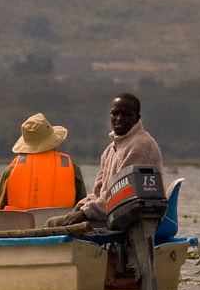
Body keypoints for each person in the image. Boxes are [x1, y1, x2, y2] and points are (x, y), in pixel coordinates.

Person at [47, 92, 163, 227]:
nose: (119, 118)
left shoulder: (139, 147)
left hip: (131, 220)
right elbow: (98, 192)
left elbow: (122, 199)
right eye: (115, 113)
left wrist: (85, 213)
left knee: (53, 223)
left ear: (137, 117)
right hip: (111, 214)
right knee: (56, 221)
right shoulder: (111, 149)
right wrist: (80, 207)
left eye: (126, 115)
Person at [0, 113, 86, 211]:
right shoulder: (72, 169)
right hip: (61, 224)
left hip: (20, 225)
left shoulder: (11, 170)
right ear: (53, 141)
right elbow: (83, 206)